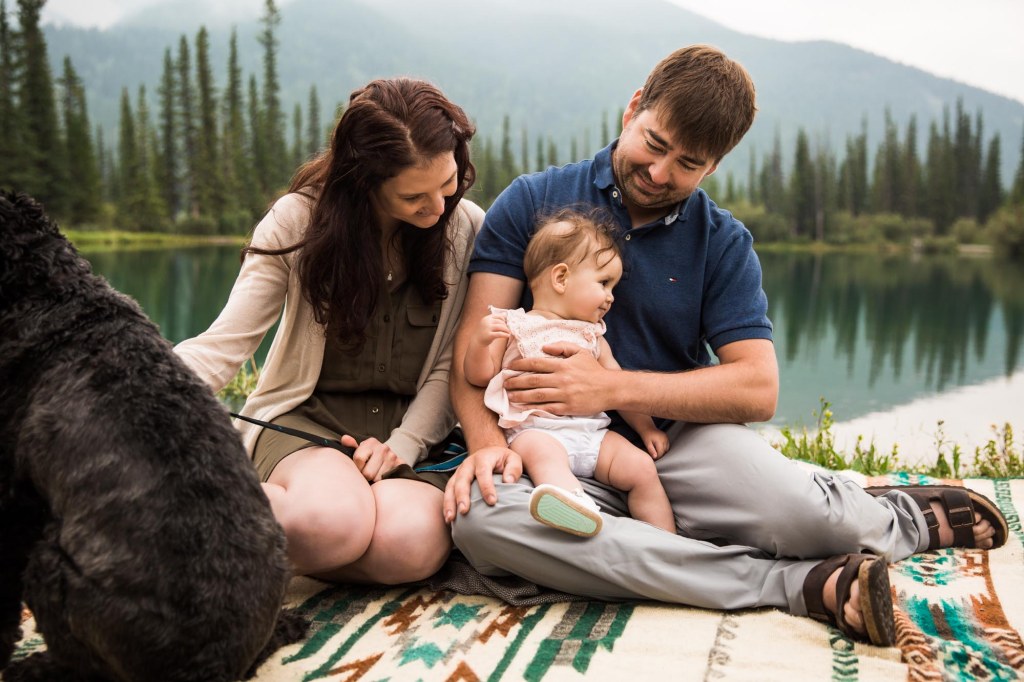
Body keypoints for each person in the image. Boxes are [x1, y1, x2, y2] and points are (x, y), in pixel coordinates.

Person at [444, 45, 1007, 647]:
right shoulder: (532, 201)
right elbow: (470, 357)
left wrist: (609, 387)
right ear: (634, 108)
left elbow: (757, 389)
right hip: (536, 448)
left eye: (686, 163)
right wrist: (482, 445)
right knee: (480, 524)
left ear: (713, 166)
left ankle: (899, 518)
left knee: (806, 517)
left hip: (671, 441)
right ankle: (799, 585)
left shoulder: (723, 241)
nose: (659, 173)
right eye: (654, 144)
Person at [174, 78, 484, 585]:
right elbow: (225, 344)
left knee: (404, 547)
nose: (437, 207)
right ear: (364, 180)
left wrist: (404, 445)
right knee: (332, 523)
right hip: (308, 427)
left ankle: (283, 550)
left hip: (415, 438)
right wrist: (140, 397)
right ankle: (174, 521)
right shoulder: (297, 221)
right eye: (413, 196)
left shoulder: (467, 226)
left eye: (447, 183)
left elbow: (452, 362)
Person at [463, 209, 675, 537]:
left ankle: (666, 542)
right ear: (561, 278)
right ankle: (574, 507)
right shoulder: (515, 325)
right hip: (536, 431)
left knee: (642, 469)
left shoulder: (593, 335)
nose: (610, 297)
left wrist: (646, 428)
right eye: (604, 283)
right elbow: (479, 376)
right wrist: (479, 343)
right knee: (545, 457)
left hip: (593, 435)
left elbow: (618, 383)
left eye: (613, 286)